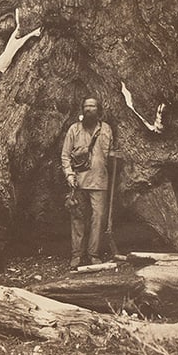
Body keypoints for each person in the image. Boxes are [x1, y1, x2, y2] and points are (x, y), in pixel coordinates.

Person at [61, 97, 117, 270]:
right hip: (77, 182)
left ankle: (93, 254)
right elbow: (65, 155)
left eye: (92, 106)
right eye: (86, 106)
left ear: (98, 109)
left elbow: (110, 153)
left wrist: (116, 157)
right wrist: (69, 175)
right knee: (78, 219)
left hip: (100, 181)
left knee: (98, 218)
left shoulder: (106, 129)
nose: (89, 109)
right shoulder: (74, 129)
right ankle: (77, 255)